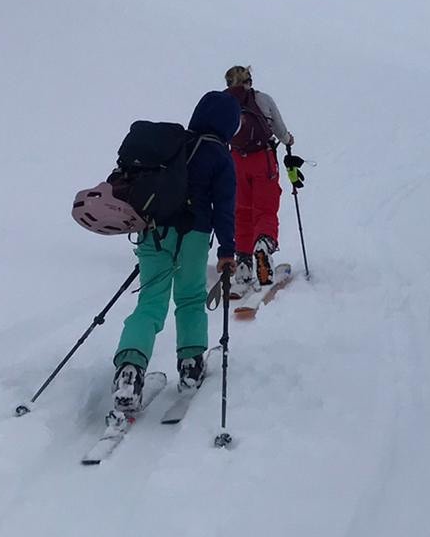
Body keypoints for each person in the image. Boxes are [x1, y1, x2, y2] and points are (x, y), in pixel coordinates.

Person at [111, 90, 241, 412]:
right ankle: (191, 364)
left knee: (150, 302)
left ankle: (130, 368)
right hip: (194, 235)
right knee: (190, 298)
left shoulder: (174, 146)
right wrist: (227, 250)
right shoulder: (220, 156)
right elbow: (224, 208)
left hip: (152, 231)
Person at [223, 64, 295, 297]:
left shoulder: (222, 103)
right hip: (262, 160)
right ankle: (263, 247)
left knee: (241, 211)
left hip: (235, 162)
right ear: (250, 81)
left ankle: (243, 265)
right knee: (265, 210)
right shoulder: (262, 100)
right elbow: (281, 131)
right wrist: (288, 140)